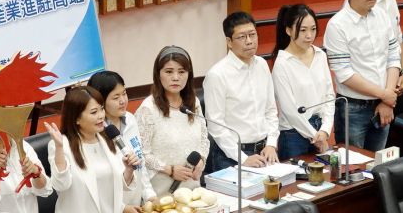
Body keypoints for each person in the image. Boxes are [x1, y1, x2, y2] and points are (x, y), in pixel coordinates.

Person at [45, 87, 147, 213]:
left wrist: (128, 170)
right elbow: (61, 185)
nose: (101, 116)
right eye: (94, 112)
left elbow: (120, 188)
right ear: (76, 118)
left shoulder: (107, 140)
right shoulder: (61, 145)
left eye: (101, 109)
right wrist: (58, 149)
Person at [323, 0, 401, 152]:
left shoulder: (382, 15)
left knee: (378, 165)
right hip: (353, 109)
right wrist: (385, 95)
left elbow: (393, 57)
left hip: (383, 105)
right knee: (352, 169)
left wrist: (386, 99)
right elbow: (345, 74)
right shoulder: (337, 25)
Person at [202, 11, 280, 171]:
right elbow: (216, 126)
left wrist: (271, 143)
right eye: (242, 37)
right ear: (229, 42)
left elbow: (271, 111)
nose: (249, 41)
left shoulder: (262, 65)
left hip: (264, 151)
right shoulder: (217, 75)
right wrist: (243, 158)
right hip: (231, 155)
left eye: (252, 35)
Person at [135, 46, 210, 197]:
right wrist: (170, 170)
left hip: (193, 189)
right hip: (162, 193)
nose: (176, 77)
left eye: (182, 72)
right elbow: (142, 154)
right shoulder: (148, 109)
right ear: (158, 74)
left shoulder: (193, 102)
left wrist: (202, 160)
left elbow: (204, 139)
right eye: (169, 72)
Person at [271, 4, 335, 161]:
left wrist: (325, 130)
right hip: (294, 134)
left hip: (320, 128)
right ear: (288, 31)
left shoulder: (320, 55)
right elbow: (289, 110)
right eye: (303, 30)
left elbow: (329, 95)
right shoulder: (282, 63)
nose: (309, 35)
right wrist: (315, 136)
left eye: (313, 29)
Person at [88, 70, 154, 201]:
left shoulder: (130, 119)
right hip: (113, 211)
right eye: (115, 97)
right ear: (99, 101)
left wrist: (149, 194)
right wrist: (122, 210)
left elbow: (139, 161)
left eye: (124, 93)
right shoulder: (94, 132)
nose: (123, 101)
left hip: (135, 205)